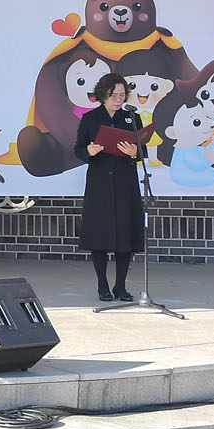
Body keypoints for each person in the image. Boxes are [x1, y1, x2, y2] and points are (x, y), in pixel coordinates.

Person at [74, 71, 145, 303]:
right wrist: (89, 151)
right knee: (99, 234)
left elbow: (142, 151)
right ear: (103, 95)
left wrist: (134, 152)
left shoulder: (132, 118)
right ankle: (102, 286)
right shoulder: (90, 119)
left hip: (125, 181)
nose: (118, 99)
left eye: (122, 95)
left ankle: (120, 286)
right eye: (114, 95)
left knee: (125, 233)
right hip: (100, 182)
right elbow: (78, 149)